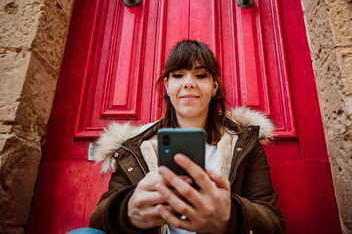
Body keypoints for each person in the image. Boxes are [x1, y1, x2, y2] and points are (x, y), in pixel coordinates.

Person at [89, 40, 285, 234]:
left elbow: (274, 224)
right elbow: (98, 221)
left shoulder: (244, 143)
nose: (189, 83)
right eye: (178, 75)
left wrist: (231, 215)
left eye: (200, 75)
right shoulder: (135, 148)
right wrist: (127, 210)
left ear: (214, 86)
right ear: (166, 85)